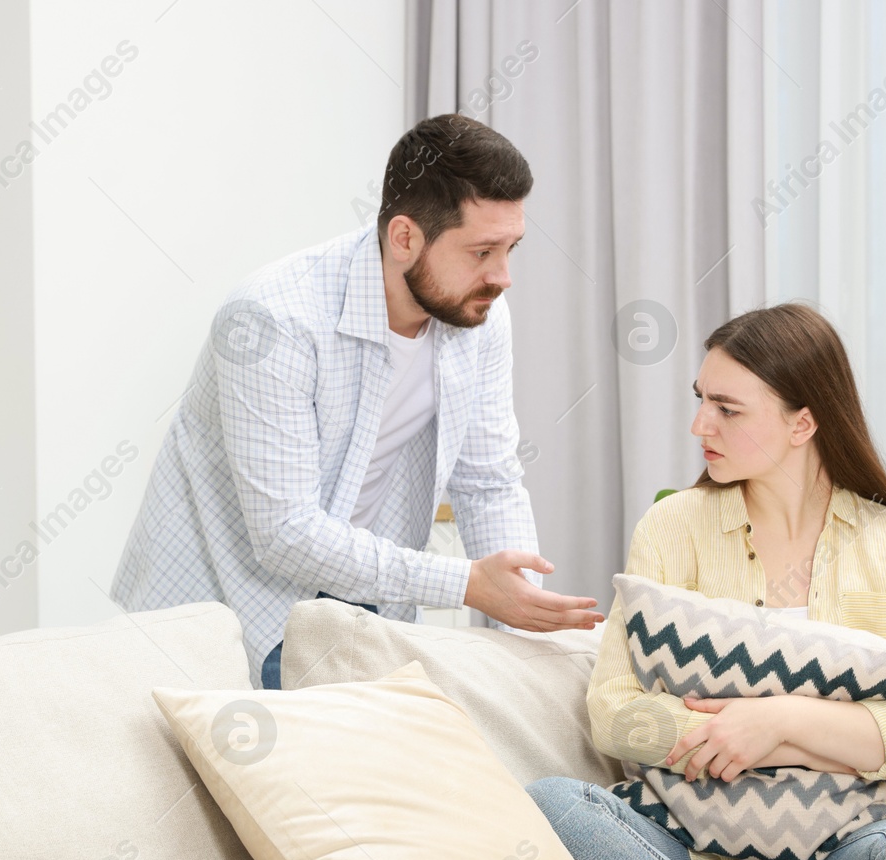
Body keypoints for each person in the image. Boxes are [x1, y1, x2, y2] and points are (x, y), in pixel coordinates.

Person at [526, 303, 886, 860]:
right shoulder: (673, 527)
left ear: (803, 422)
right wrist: (739, 735)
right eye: (700, 401)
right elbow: (613, 712)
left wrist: (777, 725)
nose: (698, 425)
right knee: (551, 806)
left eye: (728, 408)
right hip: (683, 859)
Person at [111, 114, 605, 688]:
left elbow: (488, 480)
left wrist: (529, 624)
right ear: (404, 238)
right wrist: (466, 583)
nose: (503, 276)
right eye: (482, 251)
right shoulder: (271, 320)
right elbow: (287, 532)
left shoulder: (478, 318)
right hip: (219, 604)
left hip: (359, 599)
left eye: (511, 248)